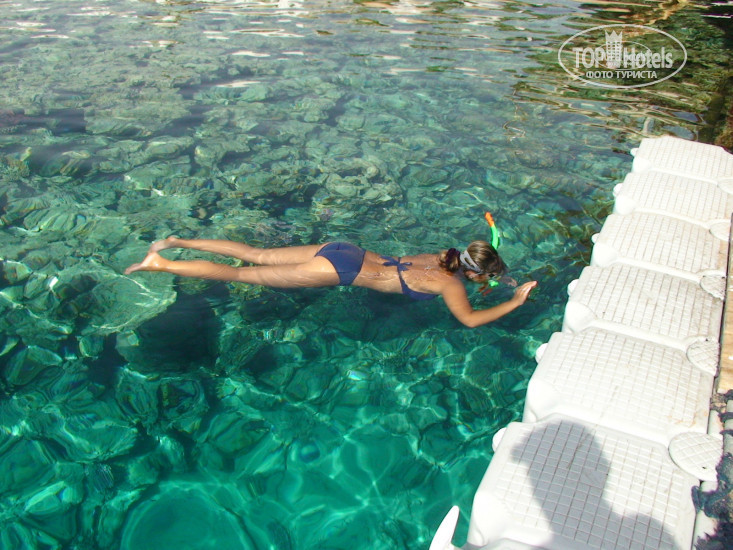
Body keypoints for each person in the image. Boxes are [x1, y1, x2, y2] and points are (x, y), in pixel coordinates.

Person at [125, 237, 537, 328]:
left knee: (256, 254)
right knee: (238, 274)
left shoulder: (442, 256)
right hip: (339, 272)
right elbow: (469, 320)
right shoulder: (452, 286)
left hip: (345, 250)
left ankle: (176, 241)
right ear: (473, 274)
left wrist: (498, 277)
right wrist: (514, 300)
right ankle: (161, 264)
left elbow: (469, 270)